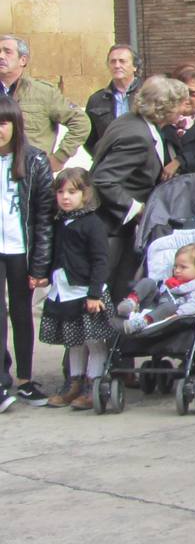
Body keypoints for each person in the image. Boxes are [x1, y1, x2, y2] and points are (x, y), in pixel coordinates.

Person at [90, 77, 187, 303]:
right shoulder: (138, 136)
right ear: (165, 107)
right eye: (180, 104)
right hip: (112, 227)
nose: (184, 109)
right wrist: (137, 208)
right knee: (112, 289)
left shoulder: (129, 121)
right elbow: (104, 179)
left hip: (115, 226)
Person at [0, 96, 56, 407]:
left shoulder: (34, 161)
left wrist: (40, 265)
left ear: (16, 125)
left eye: (4, 122)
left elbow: (44, 218)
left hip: (21, 250)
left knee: (22, 314)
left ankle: (24, 379)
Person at [40, 169, 111, 410]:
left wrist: (94, 294)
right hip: (64, 291)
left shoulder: (92, 224)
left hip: (86, 292)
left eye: (72, 191)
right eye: (60, 192)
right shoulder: (60, 222)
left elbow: (101, 260)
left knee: (94, 341)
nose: (65, 197)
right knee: (74, 342)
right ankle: (74, 384)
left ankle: (94, 385)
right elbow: (57, 253)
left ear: (86, 193)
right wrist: (43, 276)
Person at [0, 35, 89, 171]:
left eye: (7, 52)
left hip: (32, 172)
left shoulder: (43, 92)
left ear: (23, 60)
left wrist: (60, 157)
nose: (1, 56)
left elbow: (80, 121)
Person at [115, 243, 195, 336]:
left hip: (165, 314)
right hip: (154, 305)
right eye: (175, 266)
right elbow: (159, 293)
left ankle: (141, 322)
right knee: (149, 282)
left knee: (169, 307)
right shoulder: (171, 280)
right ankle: (131, 302)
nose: (177, 270)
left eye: (183, 267)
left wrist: (178, 313)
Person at [85, 43, 142, 153]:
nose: (117, 65)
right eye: (113, 61)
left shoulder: (148, 95)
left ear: (135, 66)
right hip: (110, 161)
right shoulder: (96, 100)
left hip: (143, 159)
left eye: (122, 61)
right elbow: (89, 138)